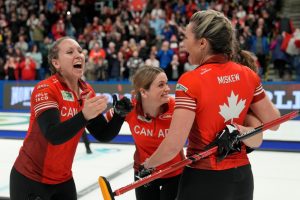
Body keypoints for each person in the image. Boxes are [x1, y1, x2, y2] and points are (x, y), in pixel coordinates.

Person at [143, 10, 280, 200]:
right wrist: (237, 129)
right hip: (242, 179)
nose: (183, 43)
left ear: (202, 43)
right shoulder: (248, 75)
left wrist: (147, 165)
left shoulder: (190, 81)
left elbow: (173, 146)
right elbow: (274, 122)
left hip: (204, 179)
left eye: (186, 37)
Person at [9, 36, 132, 200]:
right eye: (70, 52)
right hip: (30, 179)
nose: (79, 55)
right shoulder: (46, 89)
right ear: (56, 63)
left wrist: (119, 115)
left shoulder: (86, 91)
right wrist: (84, 115)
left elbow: (103, 134)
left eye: (80, 51)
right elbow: (53, 135)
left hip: (63, 181)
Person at [104, 66, 184, 200]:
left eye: (166, 83)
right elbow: (103, 129)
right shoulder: (130, 108)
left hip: (174, 173)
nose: (168, 89)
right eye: (161, 85)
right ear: (144, 92)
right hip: (143, 174)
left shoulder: (176, 108)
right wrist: (117, 114)